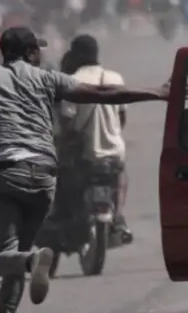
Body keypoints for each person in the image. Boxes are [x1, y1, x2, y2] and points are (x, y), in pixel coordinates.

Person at [0, 26, 188, 313]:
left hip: (7, 175)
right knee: (17, 255)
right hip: (44, 179)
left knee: (2, 259)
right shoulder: (49, 79)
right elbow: (103, 93)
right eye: (37, 51)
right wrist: (157, 93)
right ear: (30, 53)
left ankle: (33, 261)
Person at [57, 34, 133, 241]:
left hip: (85, 154)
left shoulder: (71, 81)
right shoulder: (115, 79)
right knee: (120, 180)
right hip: (115, 151)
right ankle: (118, 219)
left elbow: (66, 122)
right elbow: (121, 118)